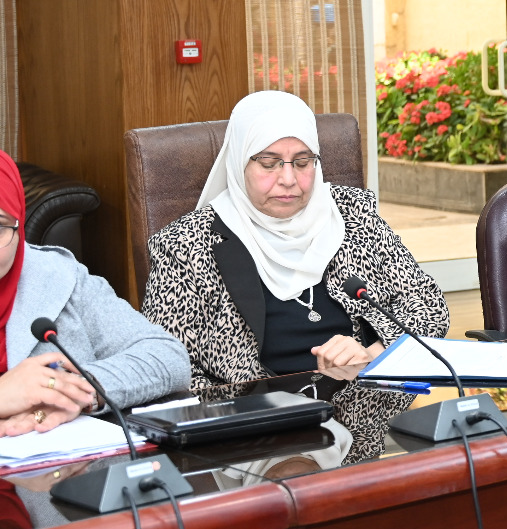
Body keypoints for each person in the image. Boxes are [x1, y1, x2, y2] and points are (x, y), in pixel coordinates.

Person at [143, 91, 448, 389]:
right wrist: (248, 413)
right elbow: (165, 364)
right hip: (256, 417)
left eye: (302, 163)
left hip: (365, 408)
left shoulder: (353, 213)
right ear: (238, 163)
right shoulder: (186, 245)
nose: (288, 179)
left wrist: (373, 355)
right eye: (269, 163)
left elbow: (429, 306)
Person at [0, 151, 189, 436]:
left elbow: (168, 357)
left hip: (59, 460)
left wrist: (77, 391)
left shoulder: (59, 276)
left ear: (19, 225)